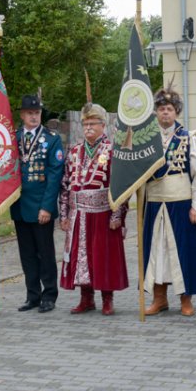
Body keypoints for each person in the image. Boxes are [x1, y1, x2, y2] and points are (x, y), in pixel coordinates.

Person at [142, 86, 196, 317]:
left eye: (169, 109)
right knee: (156, 252)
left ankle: (185, 300)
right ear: (156, 113)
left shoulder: (189, 138)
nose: (165, 113)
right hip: (154, 204)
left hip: (181, 203)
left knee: (183, 252)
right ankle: (159, 299)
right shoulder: (146, 140)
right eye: (161, 109)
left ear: (177, 112)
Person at [59, 101, 128, 315]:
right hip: (79, 213)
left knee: (103, 256)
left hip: (103, 213)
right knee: (82, 256)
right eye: (85, 124)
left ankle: (107, 298)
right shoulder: (75, 152)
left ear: (103, 125)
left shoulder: (113, 150)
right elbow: (65, 184)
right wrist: (64, 215)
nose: (88, 128)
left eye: (93, 123)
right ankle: (86, 298)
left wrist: (118, 214)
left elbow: (121, 185)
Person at [11, 95, 65, 314]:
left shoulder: (52, 139)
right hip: (20, 207)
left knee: (45, 253)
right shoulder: (14, 138)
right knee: (27, 254)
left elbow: (54, 176)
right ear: (22, 115)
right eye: (30, 113)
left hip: (41, 206)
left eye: (37, 113)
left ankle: (49, 295)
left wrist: (47, 207)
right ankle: (32, 295)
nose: (34, 116)